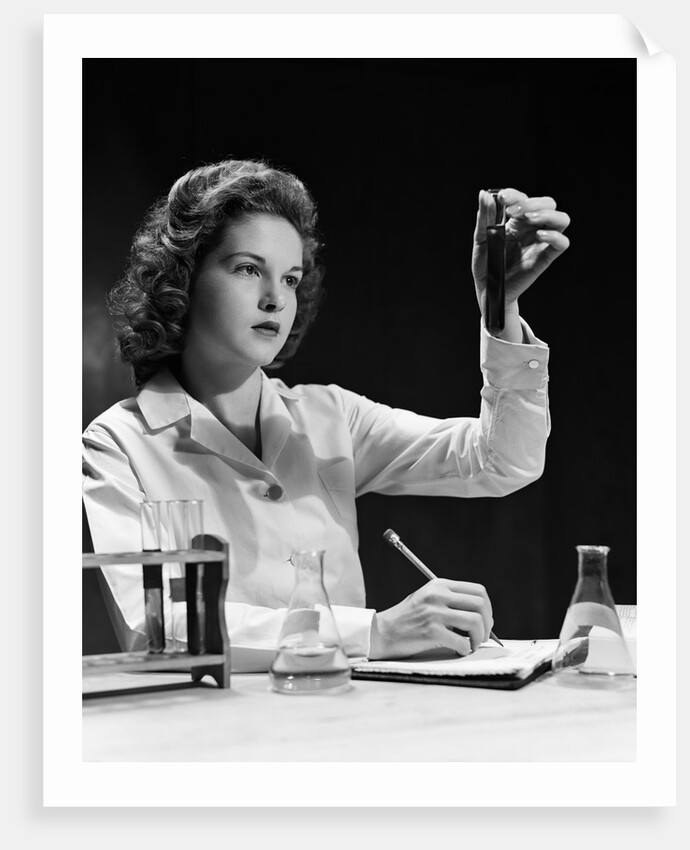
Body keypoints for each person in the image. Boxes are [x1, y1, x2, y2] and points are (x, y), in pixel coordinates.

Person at [82, 158, 570, 660]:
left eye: (290, 279)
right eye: (249, 269)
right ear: (181, 280)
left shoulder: (331, 416)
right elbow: (158, 627)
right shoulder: (118, 443)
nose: (275, 299)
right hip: (211, 731)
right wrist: (375, 634)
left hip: (346, 720)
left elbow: (501, 461)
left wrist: (498, 309)